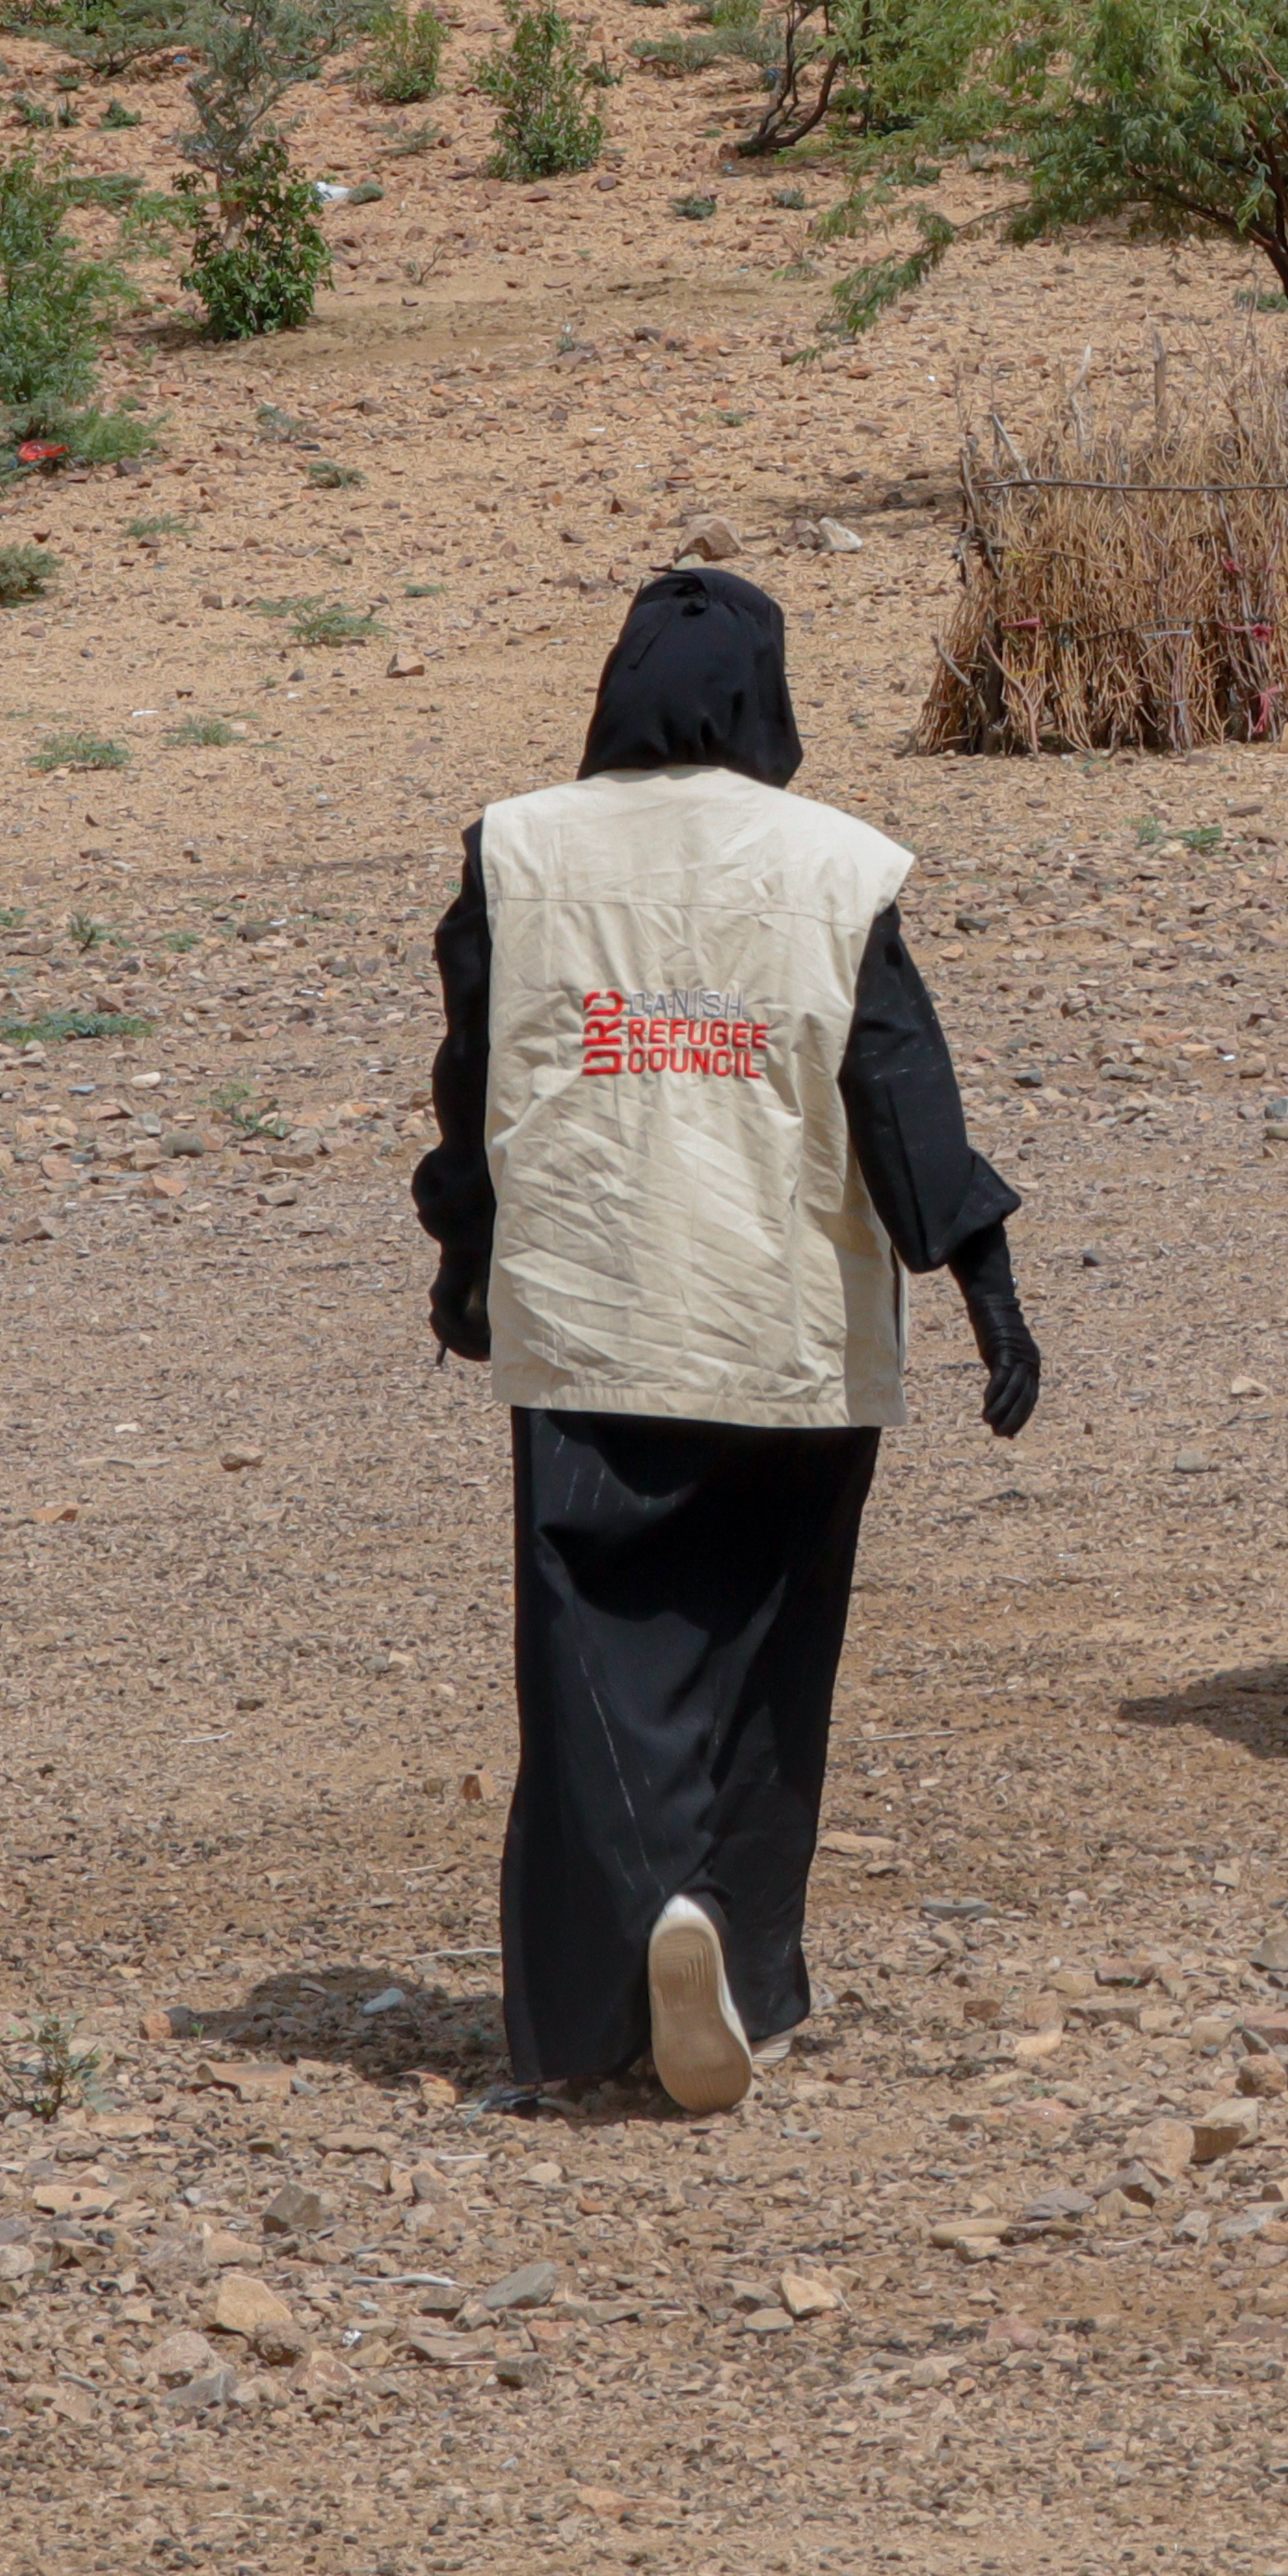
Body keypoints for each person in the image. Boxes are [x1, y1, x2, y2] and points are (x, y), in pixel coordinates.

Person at [410, 567, 1044, 2114]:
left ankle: (610, 1982)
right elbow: (895, 1087)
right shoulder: (832, 865)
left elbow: (474, 1080)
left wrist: (462, 1252)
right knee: (765, 1649)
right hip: (787, 1333)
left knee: (592, 1657)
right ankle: (733, 1955)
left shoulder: (521, 851)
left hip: (594, 1317)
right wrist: (984, 1279)